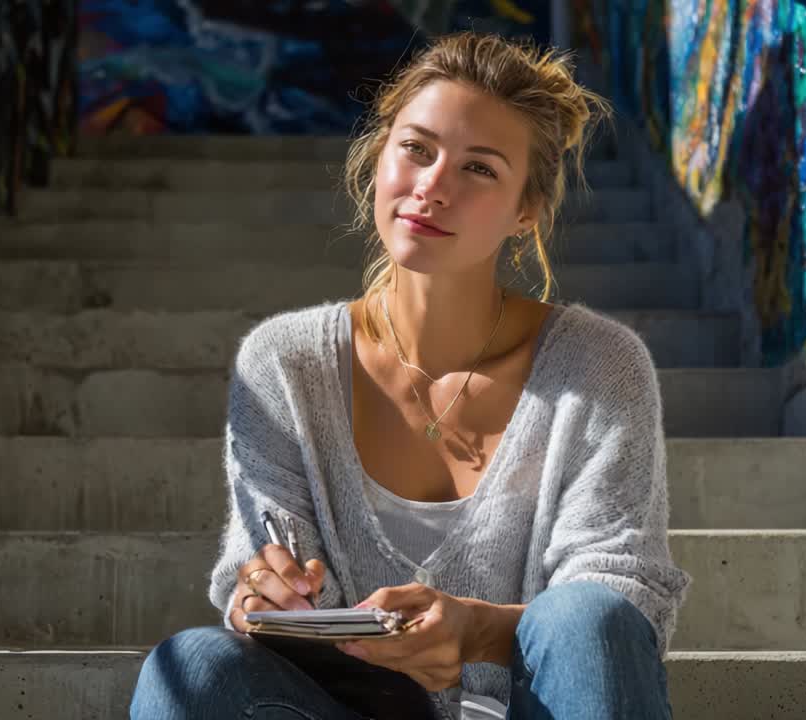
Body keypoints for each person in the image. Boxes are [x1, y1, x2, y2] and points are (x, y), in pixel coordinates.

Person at [131, 31, 691, 720]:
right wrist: (263, 596)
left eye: (479, 169)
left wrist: (477, 630)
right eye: (417, 149)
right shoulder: (284, 364)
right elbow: (269, 586)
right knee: (190, 667)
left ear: (527, 210)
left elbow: (619, 605)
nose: (432, 187)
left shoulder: (598, 366)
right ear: (379, 156)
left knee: (582, 617)